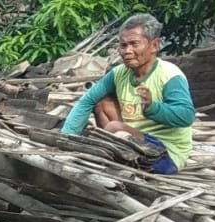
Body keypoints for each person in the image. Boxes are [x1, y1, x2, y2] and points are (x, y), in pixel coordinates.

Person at [60, 13, 196, 174]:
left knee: (113, 127)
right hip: (132, 140)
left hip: (164, 153)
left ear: (154, 45)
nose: (127, 51)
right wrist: (66, 138)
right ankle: (115, 154)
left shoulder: (170, 75)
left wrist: (153, 108)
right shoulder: (119, 73)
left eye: (134, 44)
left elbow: (186, 116)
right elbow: (87, 100)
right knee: (101, 102)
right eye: (123, 45)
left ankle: (114, 156)